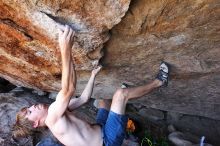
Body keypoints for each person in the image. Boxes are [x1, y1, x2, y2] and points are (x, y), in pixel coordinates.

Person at [13, 25, 169, 146]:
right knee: (120, 95)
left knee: (103, 101)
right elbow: (68, 89)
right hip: (107, 140)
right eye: (30, 111)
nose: (34, 106)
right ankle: (159, 82)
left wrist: (92, 76)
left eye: (30, 107)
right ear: (35, 123)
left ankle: (121, 106)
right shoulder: (52, 119)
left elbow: (84, 98)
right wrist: (65, 48)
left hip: (100, 127)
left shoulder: (58, 112)